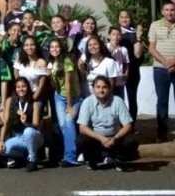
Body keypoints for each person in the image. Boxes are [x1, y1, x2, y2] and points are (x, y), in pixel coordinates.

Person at [148, 1, 175, 147]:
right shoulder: (155, 25)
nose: (169, 12)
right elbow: (152, 48)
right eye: (166, 10)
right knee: (162, 101)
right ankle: (162, 132)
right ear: (162, 12)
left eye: (172, 10)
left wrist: (173, 62)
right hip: (160, 69)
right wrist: (165, 62)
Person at [76, 75, 139, 171]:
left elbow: (128, 125)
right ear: (93, 89)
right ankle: (93, 160)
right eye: (98, 87)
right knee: (81, 140)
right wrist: (101, 139)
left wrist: (114, 138)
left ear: (109, 89)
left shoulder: (118, 101)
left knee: (133, 139)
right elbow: (82, 127)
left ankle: (119, 159)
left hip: (115, 138)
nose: (101, 90)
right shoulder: (87, 102)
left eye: (104, 87)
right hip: (97, 138)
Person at [48, 38, 82, 167]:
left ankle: (70, 156)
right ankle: (69, 153)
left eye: (57, 47)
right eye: (52, 47)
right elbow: (56, 86)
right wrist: (49, 76)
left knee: (68, 121)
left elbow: (68, 85)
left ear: (61, 48)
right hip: (59, 96)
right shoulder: (53, 63)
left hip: (74, 98)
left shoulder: (67, 61)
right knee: (63, 125)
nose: (54, 49)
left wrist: (69, 105)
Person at [0, 77, 43, 172]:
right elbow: (5, 122)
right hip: (19, 137)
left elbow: (36, 125)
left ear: (28, 88)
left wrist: (26, 123)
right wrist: (1, 140)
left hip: (34, 137)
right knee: (3, 150)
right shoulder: (10, 101)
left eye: (23, 86)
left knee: (28, 131)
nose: (21, 89)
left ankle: (32, 160)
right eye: (18, 87)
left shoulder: (34, 103)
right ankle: (23, 157)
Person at [118, 9, 145, 124]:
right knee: (118, 99)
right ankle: (119, 124)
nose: (124, 19)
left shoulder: (136, 34)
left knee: (132, 99)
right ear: (118, 19)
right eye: (122, 17)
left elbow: (138, 54)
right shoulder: (115, 33)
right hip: (118, 71)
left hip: (133, 71)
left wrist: (138, 38)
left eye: (127, 17)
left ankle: (131, 125)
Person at [13, 36, 49, 103]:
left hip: (35, 95)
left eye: (32, 45)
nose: (29, 48)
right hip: (21, 94)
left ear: (36, 46)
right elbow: (17, 78)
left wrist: (33, 99)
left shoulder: (42, 63)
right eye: (26, 45)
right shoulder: (19, 59)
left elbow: (41, 85)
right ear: (23, 47)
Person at [107, 27, 130, 99]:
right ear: (109, 36)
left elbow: (126, 63)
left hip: (119, 80)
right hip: (107, 79)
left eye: (118, 35)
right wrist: (110, 50)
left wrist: (126, 73)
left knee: (119, 100)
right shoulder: (104, 47)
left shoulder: (123, 49)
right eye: (113, 34)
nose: (115, 37)